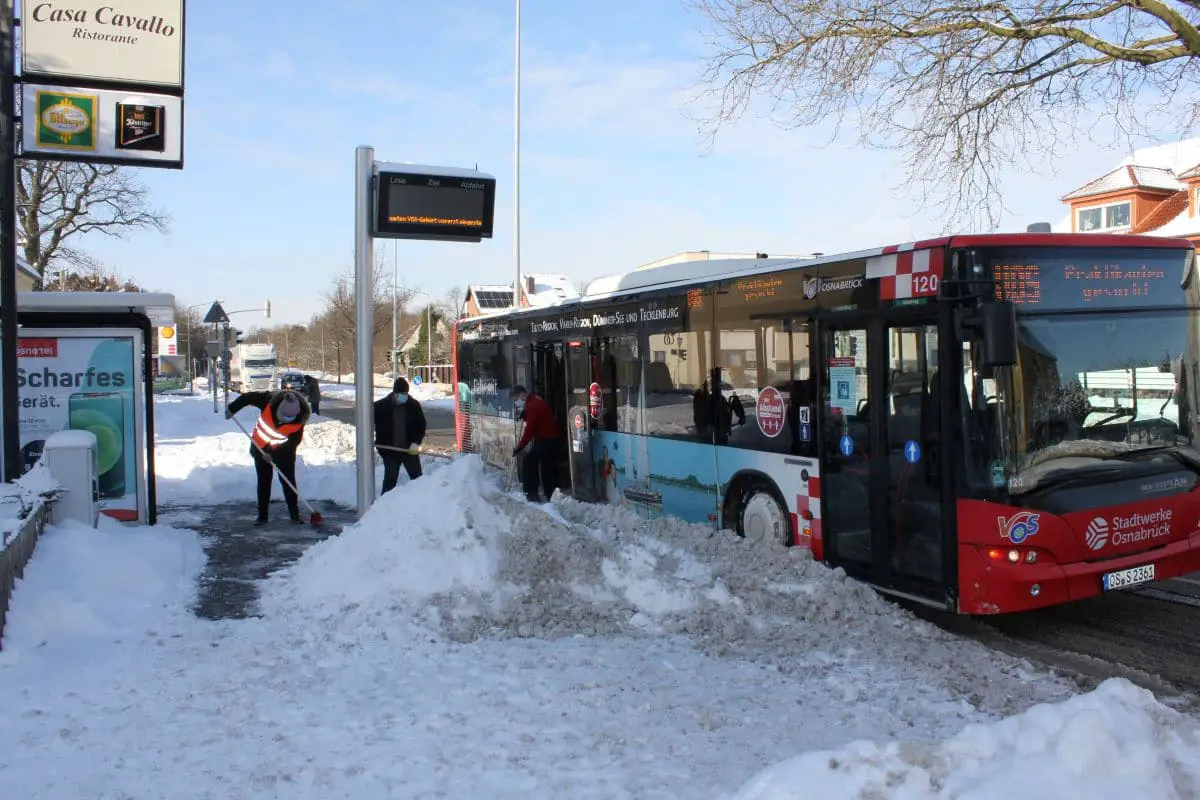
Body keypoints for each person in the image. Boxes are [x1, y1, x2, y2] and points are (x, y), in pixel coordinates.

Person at [226, 388, 311, 526]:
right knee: (264, 481)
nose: (284, 421)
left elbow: (292, 444)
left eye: (289, 419)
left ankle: (295, 516)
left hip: (283, 453)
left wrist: (272, 455)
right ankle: (262, 516)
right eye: (283, 417)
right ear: (278, 408)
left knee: (288, 482)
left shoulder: (299, 420)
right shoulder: (268, 400)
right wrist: (232, 408)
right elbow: (248, 397)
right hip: (259, 447)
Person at [374, 376, 427, 493]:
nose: (404, 396)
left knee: (417, 478)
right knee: (390, 480)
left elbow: (421, 426)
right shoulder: (380, 407)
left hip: (409, 450)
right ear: (394, 393)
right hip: (389, 450)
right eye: (401, 394)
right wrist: (379, 446)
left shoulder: (413, 406)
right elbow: (367, 423)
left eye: (405, 394)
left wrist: (415, 443)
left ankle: (422, 502)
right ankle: (383, 506)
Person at [510, 385, 561, 503]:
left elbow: (530, 429)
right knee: (547, 466)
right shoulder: (535, 401)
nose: (516, 403)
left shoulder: (532, 405)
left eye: (515, 400)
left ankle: (531, 493)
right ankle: (550, 493)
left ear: (522, 395)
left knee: (528, 460)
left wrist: (520, 446)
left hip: (547, 438)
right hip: (550, 438)